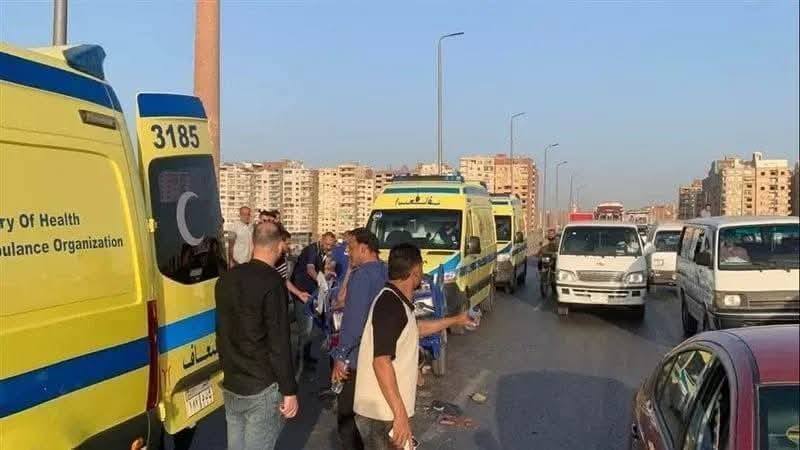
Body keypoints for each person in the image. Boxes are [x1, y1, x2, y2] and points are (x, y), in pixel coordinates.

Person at [353, 244, 475, 450]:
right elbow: (381, 362)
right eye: (421, 268)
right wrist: (400, 414)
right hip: (381, 414)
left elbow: (415, 329)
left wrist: (457, 319)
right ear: (415, 271)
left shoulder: (397, 301)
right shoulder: (390, 305)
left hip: (386, 411)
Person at [214, 221, 299, 450]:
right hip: (261, 387)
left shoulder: (226, 279)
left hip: (233, 382)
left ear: (253, 243)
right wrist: (289, 390)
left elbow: (222, 331)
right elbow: (279, 342)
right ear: (279, 246)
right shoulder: (273, 283)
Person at [329, 228, 387, 449]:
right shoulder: (385, 271)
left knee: (347, 416)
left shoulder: (362, 276)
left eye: (351, 248)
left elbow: (353, 321)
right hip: (380, 354)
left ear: (364, 248)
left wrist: (341, 357)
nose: (348, 253)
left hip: (356, 357)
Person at [291, 232, 337, 371]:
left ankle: (305, 356)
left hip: (311, 293)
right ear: (321, 239)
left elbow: (319, 271)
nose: (328, 247)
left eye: (331, 245)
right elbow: (310, 269)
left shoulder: (323, 253)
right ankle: (300, 360)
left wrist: (326, 276)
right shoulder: (312, 249)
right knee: (306, 329)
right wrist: (320, 281)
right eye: (327, 244)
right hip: (302, 292)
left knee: (310, 328)